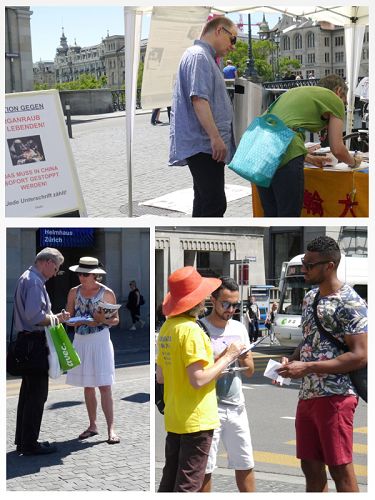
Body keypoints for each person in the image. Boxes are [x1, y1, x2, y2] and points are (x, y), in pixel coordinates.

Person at [277, 236, 367, 492]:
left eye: (309, 264)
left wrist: (307, 367)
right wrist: (293, 360)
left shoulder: (351, 302)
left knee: (340, 468)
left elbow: (360, 355)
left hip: (336, 396)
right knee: (310, 467)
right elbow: (310, 339)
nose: (304, 269)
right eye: (304, 263)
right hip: (308, 394)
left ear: (329, 265)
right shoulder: (310, 298)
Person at [156, 266, 245, 492]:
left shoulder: (168, 327)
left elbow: (161, 376)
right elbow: (198, 379)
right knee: (188, 485)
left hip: (175, 416)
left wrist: (216, 360)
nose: (206, 299)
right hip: (196, 418)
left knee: (170, 481)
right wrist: (229, 357)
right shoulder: (192, 330)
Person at [256, 75, 364, 217]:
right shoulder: (333, 99)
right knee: (288, 215)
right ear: (338, 91)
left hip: (260, 150)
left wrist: (306, 156)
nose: (342, 106)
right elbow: (337, 149)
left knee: (270, 212)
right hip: (286, 155)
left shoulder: (295, 92)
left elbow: (281, 127)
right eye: (344, 102)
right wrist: (354, 161)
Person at [169, 16, 238, 217]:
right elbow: (199, 99)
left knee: (204, 200)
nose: (232, 47)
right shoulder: (199, 56)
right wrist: (215, 138)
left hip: (205, 145)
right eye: (232, 39)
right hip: (205, 145)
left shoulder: (203, 56)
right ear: (219, 31)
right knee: (214, 203)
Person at [199, 277, 255, 492]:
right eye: (226, 304)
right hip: (209, 407)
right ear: (213, 300)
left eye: (235, 305)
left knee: (245, 462)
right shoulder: (200, 329)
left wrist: (244, 358)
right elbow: (198, 374)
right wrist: (225, 355)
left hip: (236, 406)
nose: (231, 309)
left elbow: (249, 372)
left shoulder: (240, 328)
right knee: (206, 467)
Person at [13, 248, 70, 455]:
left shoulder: (27, 277)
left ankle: (23, 440)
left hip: (27, 343)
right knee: (37, 395)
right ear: (45, 262)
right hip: (34, 344)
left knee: (27, 395)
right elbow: (35, 317)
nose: (55, 273)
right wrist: (55, 319)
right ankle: (29, 444)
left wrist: (55, 316)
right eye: (55, 268)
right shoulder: (35, 282)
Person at [66, 257, 120, 444]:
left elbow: (115, 320)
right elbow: (69, 316)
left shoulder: (107, 293)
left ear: (95, 274)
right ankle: (92, 425)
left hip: (100, 341)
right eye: (79, 273)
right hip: (81, 340)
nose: (81, 277)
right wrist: (70, 319)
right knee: (88, 385)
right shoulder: (74, 292)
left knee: (104, 386)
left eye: (85, 274)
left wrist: (99, 320)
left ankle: (111, 428)